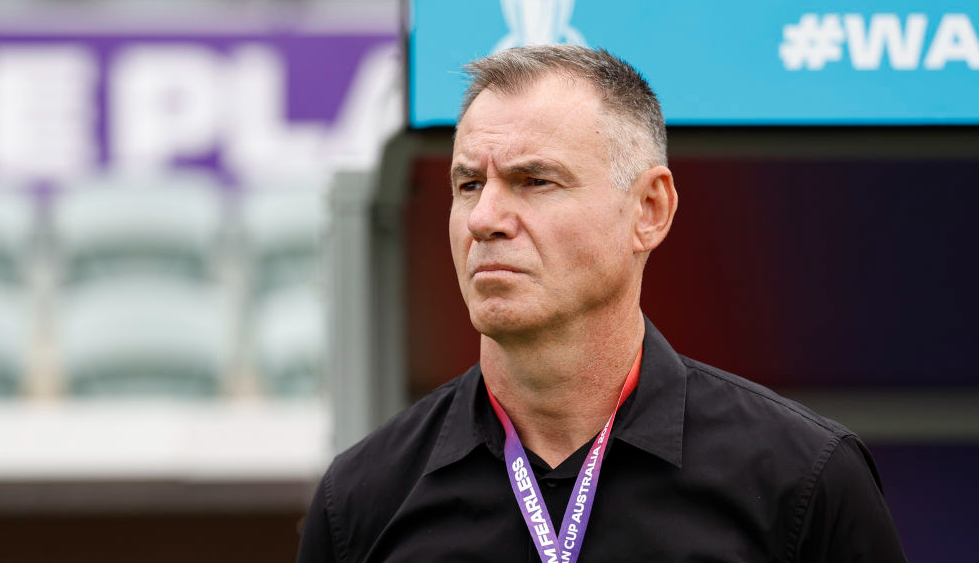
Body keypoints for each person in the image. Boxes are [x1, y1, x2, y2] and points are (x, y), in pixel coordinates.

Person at [297, 45, 906, 562]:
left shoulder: (800, 481)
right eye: (469, 184)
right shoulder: (362, 500)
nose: (484, 219)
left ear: (649, 211)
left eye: (534, 181)